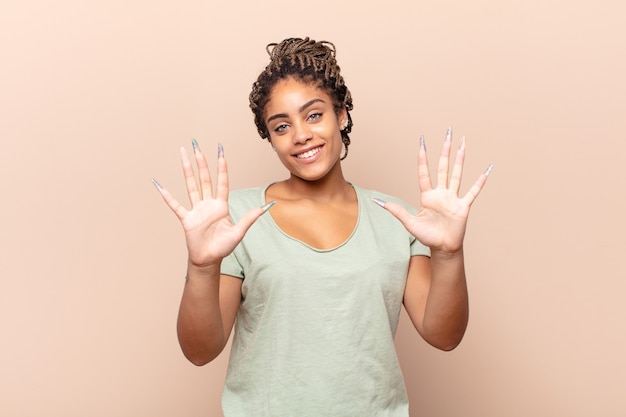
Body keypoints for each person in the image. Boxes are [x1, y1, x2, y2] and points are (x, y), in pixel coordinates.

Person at [153, 37, 492, 417]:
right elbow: (200, 352)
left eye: (314, 115)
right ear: (271, 139)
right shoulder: (234, 219)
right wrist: (201, 267)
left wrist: (448, 253)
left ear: (341, 114)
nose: (300, 135)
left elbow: (444, 336)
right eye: (281, 127)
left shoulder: (397, 218)